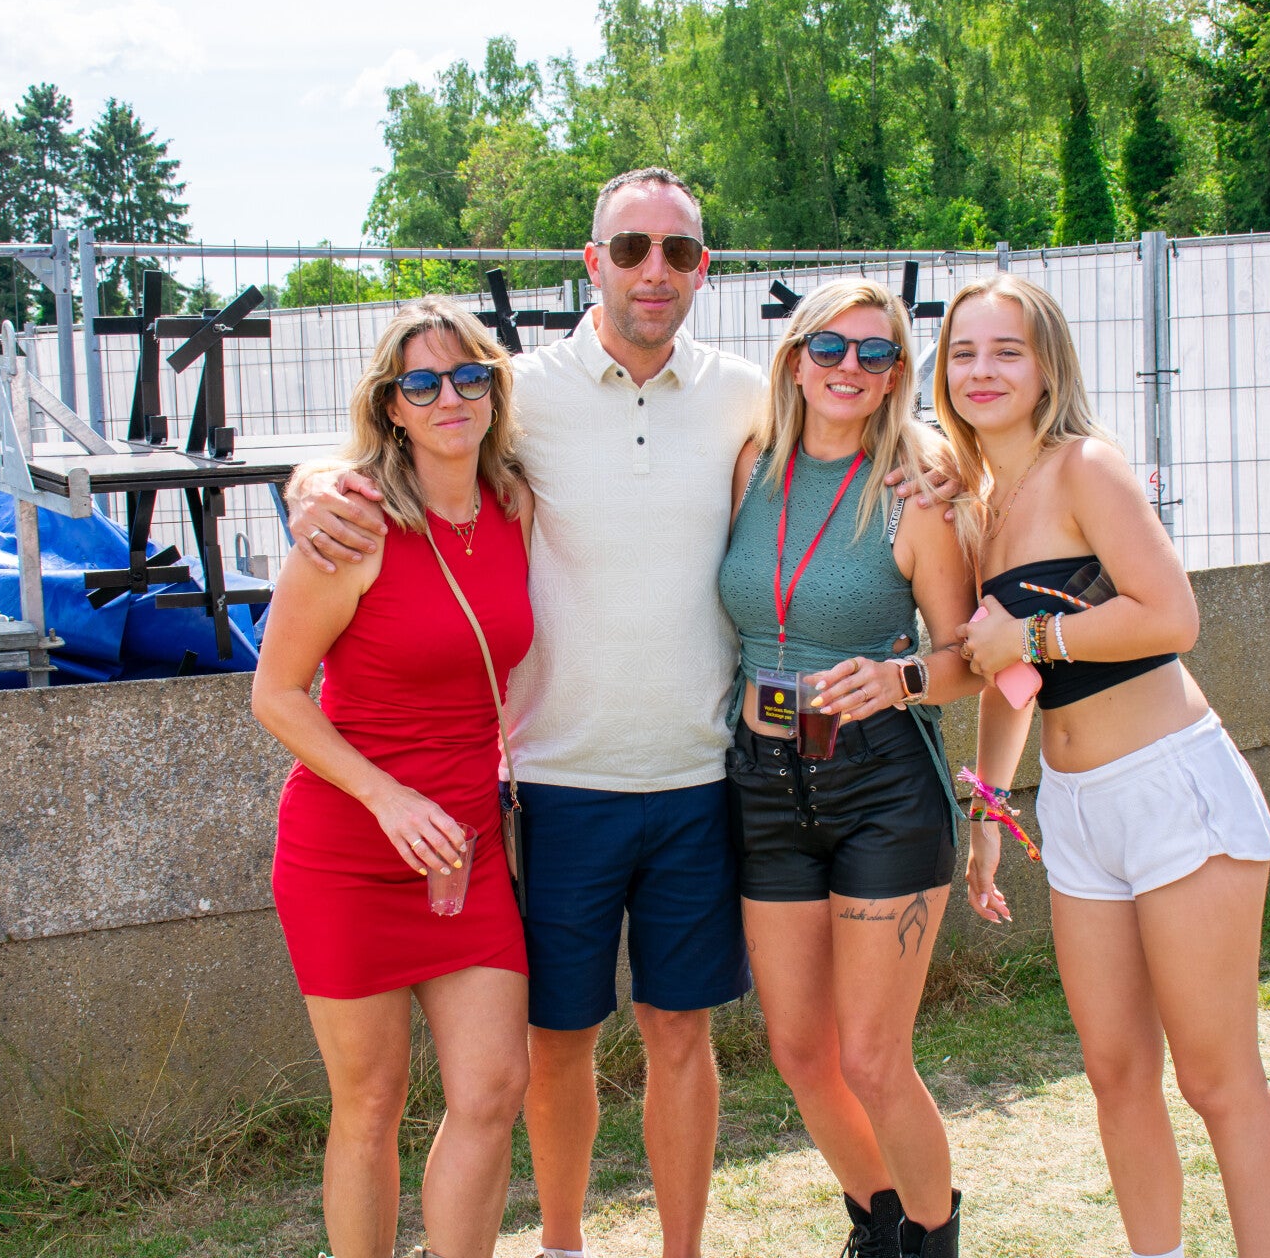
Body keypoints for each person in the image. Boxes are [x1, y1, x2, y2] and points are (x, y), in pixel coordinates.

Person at [286, 169, 954, 1258]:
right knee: (557, 1045)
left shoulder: (743, 394)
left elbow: (857, 423)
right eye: (631, 248)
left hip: (701, 777)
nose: (655, 270)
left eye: (678, 251)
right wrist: (311, 482)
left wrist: (936, 464)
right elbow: (398, 436)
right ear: (592, 261)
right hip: (557, 782)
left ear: (703, 268)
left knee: (681, 1035)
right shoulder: (515, 391)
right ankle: (564, 1244)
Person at [942, 274, 1270, 1258]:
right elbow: (1008, 683)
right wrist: (988, 814)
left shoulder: (1085, 468)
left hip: (1171, 788)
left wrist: (1033, 637)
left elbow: (1170, 615)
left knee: (1218, 1079)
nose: (982, 370)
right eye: (964, 352)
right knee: (1114, 1073)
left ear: (1047, 365)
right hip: (1076, 812)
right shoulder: (981, 505)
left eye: (1006, 350)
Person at [252, 296, 534, 1258]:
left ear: (495, 389)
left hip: (467, 845)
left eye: (469, 376)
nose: (450, 396)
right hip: (348, 850)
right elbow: (275, 694)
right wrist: (386, 795)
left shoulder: (516, 505)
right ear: (391, 406)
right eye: (422, 382)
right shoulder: (354, 525)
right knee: (370, 1102)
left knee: (493, 1089)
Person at [717, 278, 980, 1258]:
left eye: (877, 353)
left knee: (872, 1056)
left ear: (897, 374)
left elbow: (966, 658)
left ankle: (934, 1243)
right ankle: (882, 1227)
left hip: (880, 782)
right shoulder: (751, 467)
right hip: (762, 778)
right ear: (795, 360)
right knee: (800, 1051)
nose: (850, 368)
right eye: (830, 347)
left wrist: (900, 677)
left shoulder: (914, 489)